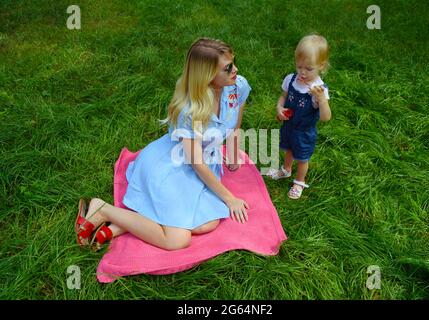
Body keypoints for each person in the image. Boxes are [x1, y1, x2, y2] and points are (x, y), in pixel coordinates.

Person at [75, 38, 252, 251]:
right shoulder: (190, 109)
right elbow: (195, 163)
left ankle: (118, 227)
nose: (236, 70)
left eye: (233, 63)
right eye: (228, 68)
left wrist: (232, 155)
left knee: (209, 222)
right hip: (174, 164)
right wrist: (230, 198)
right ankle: (102, 209)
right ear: (207, 75)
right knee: (177, 240)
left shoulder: (237, 87)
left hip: (204, 164)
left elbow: (235, 125)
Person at [267, 34, 331, 199]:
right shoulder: (291, 79)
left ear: (321, 66)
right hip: (289, 125)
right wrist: (279, 107)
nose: (302, 72)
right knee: (288, 149)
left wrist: (322, 100)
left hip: (304, 131)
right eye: (299, 66)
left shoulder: (319, 90)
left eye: (309, 69)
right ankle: (286, 170)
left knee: (302, 157)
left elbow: (325, 117)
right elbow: (284, 96)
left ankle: (299, 181)